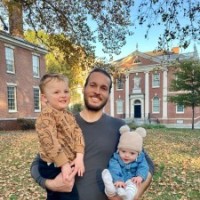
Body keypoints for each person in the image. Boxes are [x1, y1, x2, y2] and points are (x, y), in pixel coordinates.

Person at [31, 68, 154, 200]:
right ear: (84, 88)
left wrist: (133, 195)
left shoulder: (119, 126)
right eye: (93, 85)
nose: (97, 91)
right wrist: (51, 184)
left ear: (108, 94)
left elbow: (147, 163)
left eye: (103, 88)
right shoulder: (64, 122)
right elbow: (37, 163)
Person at [36, 73, 85, 200]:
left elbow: (77, 133)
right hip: (53, 164)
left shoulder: (69, 115)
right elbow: (50, 142)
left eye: (66, 91)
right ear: (44, 98)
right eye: (56, 92)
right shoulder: (46, 116)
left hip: (66, 163)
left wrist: (79, 157)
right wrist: (63, 164)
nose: (63, 95)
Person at [102, 125, 149, 200]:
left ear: (138, 153)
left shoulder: (141, 158)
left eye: (132, 153)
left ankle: (128, 196)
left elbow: (144, 167)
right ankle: (109, 188)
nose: (127, 155)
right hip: (118, 180)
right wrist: (118, 180)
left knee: (132, 186)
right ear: (119, 150)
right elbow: (114, 169)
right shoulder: (115, 158)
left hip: (132, 179)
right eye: (123, 151)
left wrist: (140, 176)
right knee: (115, 185)